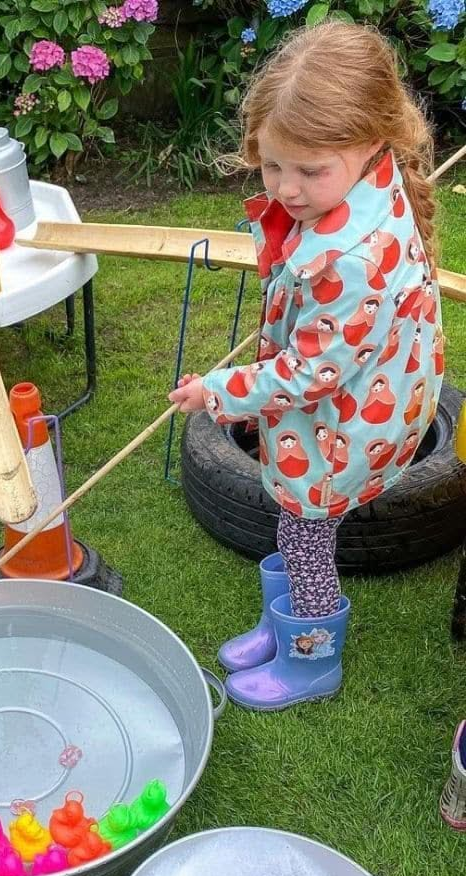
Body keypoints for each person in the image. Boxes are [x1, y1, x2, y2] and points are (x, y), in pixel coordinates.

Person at [169, 22, 444, 710]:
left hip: (344, 420)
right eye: (272, 165)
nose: (287, 189)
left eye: (309, 171)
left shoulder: (349, 259)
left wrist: (218, 391)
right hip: (369, 394)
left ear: (373, 143)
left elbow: (307, 373)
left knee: (303, 530)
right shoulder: (369, 185)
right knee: (297, 528)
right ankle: (278, 623)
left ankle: (309, 659)